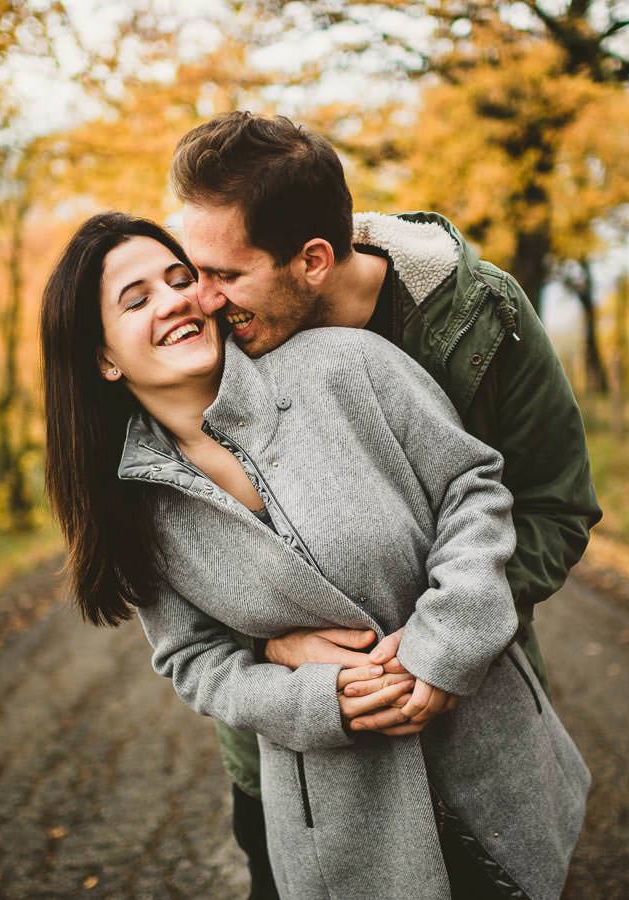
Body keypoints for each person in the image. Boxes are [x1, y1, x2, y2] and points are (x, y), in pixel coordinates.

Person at [40, 211, 589, 899]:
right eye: (137, 297)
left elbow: (471, 487)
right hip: (338, 812)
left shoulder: (343, 364)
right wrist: (313, 695)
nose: (175, 299)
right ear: (104, 357)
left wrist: (446, 642)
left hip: (488, 747)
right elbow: (195, 661)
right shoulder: (131, 506)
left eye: (181, 278)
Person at [167, 111, 602, 896]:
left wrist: (445, 639)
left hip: (473, 718)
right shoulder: (203, 345)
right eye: (191, 268)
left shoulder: (482, 322)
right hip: (296, 760)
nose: (199, 298)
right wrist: (274, 653)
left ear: (314, 260)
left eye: (226, 274)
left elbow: (554, 507)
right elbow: (196, 553)